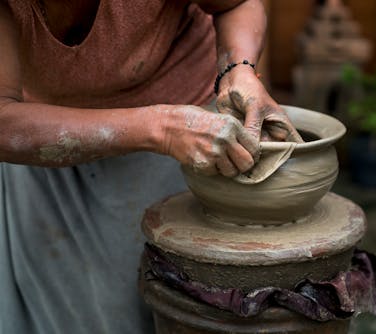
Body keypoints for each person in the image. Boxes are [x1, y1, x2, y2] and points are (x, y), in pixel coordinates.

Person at [0, 0, 301, 332]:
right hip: (43, 133)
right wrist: (162, 128)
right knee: (54, 302)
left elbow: (237, 4)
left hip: (185, 121)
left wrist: (238, 70)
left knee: (150, 300)